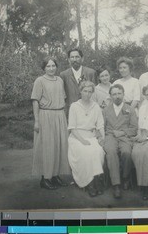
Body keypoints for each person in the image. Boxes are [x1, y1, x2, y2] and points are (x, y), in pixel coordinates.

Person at [31, 57, 70, 190]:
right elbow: (35, 101)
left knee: (59, 146)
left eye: (53, 65)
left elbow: (62, 98)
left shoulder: (59, 80)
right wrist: (36, 121)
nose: (51, 68)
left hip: (59, 115)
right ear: (44, 68)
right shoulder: (40, 81)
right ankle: (45, 178)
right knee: (47, 147)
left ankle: (55, 176)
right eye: (48, 66)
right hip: (45, 115)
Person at [68, 81, 105, 197]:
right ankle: (90, 183)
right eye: (85, 91)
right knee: (86, 152)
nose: (87, 94)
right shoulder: (74, 106)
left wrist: (102, 138)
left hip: (92, 136)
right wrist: (82, 140)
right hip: (76, 137)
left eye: (90, 92)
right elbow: (72, 128)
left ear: (92, 93)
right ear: (80, 91)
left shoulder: (96, 106)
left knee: (98, 151)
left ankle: (96, 179)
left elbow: (100, 125)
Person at [103, 84, 138, 199]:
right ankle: (116, 184)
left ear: (123, 94)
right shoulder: (105, 110)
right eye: (114, 94)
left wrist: (123, 133)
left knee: (127, 152)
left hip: (125, 137)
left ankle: (126, 177)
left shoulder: (130, 109)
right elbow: (101, 127)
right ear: (110, 96)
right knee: (111, 152)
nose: (117, 96)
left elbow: (134, 128)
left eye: (119, 93)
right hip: (110, 136)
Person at [60, 48, 96, 117]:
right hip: (71, 112)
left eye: (77, 57)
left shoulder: (91, 73)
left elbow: (94, 94)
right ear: (69, 60)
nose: (74, 59)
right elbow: (62, 96)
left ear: (82, 59)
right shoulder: (63, 75)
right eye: (72, 57)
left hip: (88, 110)